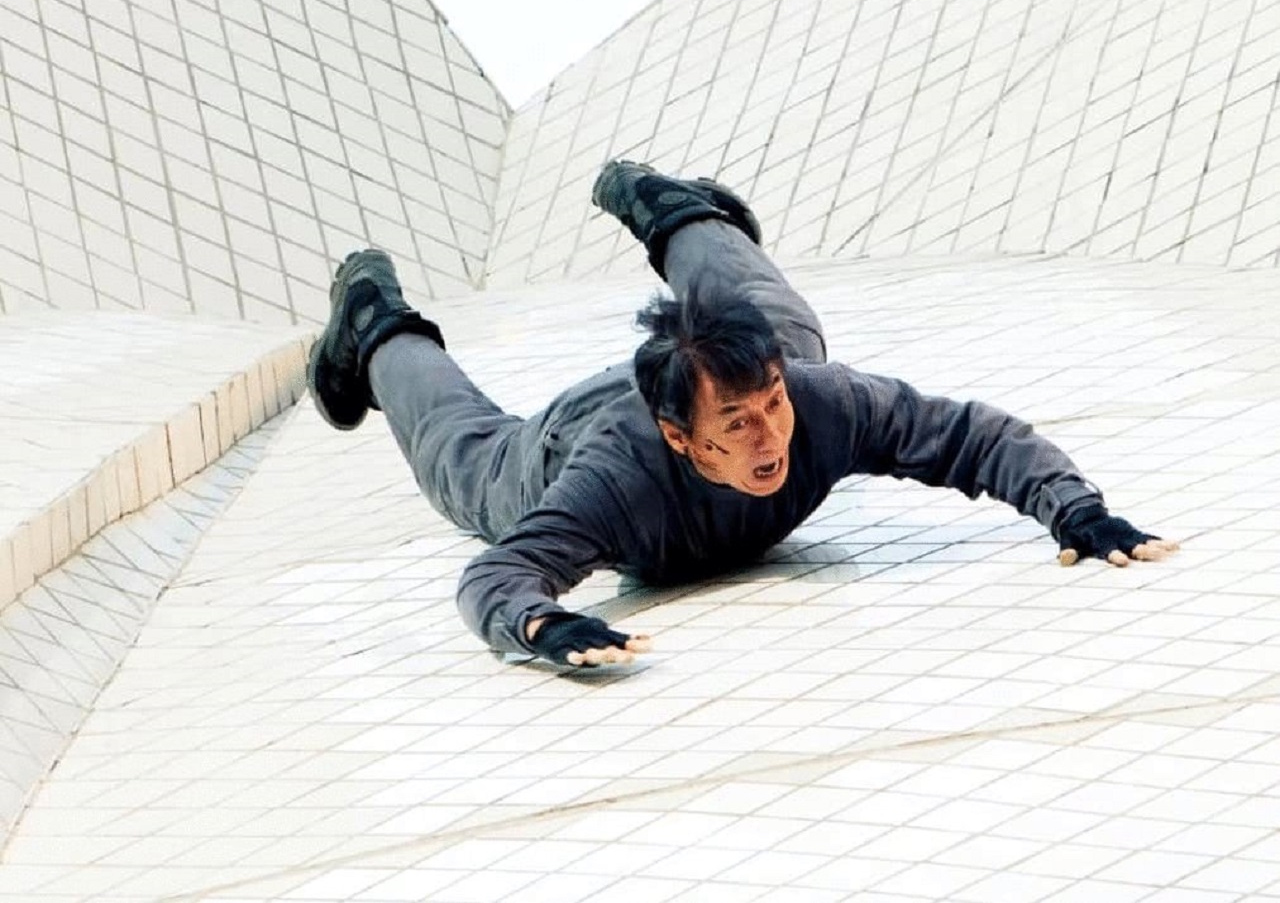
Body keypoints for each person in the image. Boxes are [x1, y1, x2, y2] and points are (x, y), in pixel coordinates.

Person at [306, 160, 1179, 668]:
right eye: (740, 425)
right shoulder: (612, 482)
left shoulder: (812, 402)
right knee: (459, 456)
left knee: (782, 323)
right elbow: (498, 579)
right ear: (684, 440)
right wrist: (542, 626)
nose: (770, 436)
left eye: (771, 408)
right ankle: (375, 323)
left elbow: (974, 436)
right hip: (567, 436)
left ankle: (671, 207)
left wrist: (1078, 509)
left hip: (712, 360)